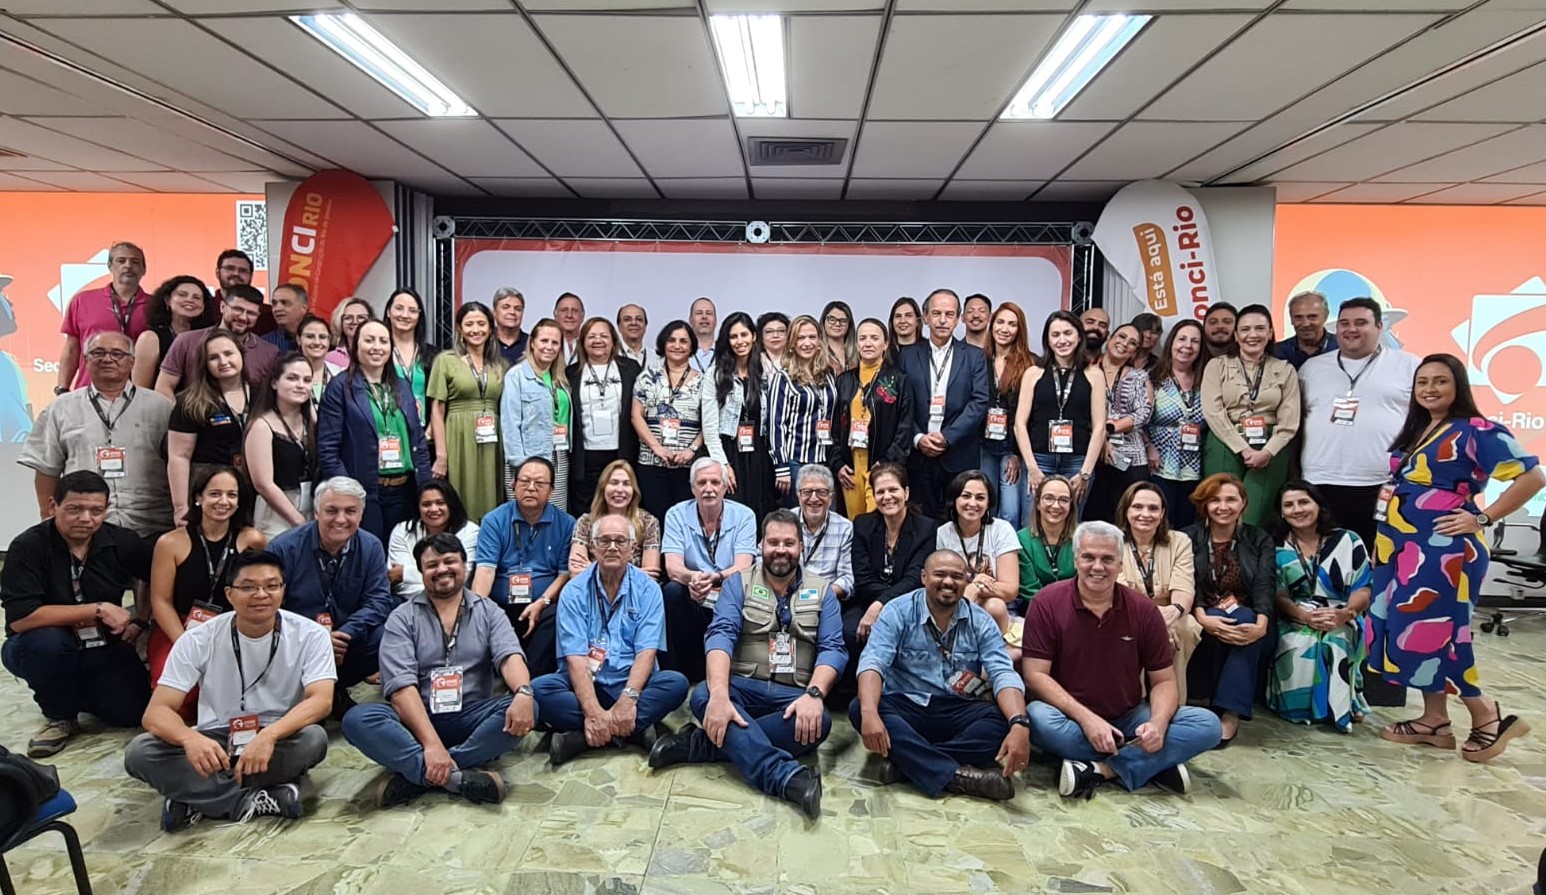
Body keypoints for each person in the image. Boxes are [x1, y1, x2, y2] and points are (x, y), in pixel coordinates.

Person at [1370, 353, 1542, 762]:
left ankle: (1487, 714)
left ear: (1458, 386)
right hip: (1402, 546)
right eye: (1422, 382)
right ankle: (1434, 721)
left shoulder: (1477, 430)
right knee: (1411, 629)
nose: (1429, 389)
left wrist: (1481, 518)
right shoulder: (1421, 428)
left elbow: (1533, 477)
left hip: (1444, 550)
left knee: (1443, 632)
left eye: (1440, 382)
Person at [647, 509, 843, 819]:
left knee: (820, 723)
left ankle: (702, 745)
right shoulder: (738, 584)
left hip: (791, 698)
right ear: (760, 545)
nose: (781, 550)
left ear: (801, 547)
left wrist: (814, 695)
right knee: (703, 696)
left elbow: (834, 649)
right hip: (743, 689)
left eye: (789, 543)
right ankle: (788, 778)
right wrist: (721, 695)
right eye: (773, 542)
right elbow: (719, 636)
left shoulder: (822, 591)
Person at [125, 549, 334, 830]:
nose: (261, 594)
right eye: (248, 587)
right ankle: (256, 798)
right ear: (229, 593)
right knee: (140, 752)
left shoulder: (311, 635)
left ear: (283, 591)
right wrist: (189, 739)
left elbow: (321, 701)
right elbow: (156, 713)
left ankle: (191, 795)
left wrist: (269, 735)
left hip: (277, 735)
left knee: (313, 739)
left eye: (272, 586)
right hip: (215, 738)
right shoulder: (198, 638)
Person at [1023, 521, 1222, 800]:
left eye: (1107, 559)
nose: (1097, 567)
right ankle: (1154, 764)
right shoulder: (1046, 602)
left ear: (1120, 564)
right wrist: (1089, 720)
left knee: (1208, 725)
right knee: (1037, 717)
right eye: (1089, 557)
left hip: (1129, 716)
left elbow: (1164, 680)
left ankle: (1101, 769)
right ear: (1076, 559)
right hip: (1071, 718)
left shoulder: (1143, 610)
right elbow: (1035, 675)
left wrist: (1158, 725)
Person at [342, 533, 532, 807]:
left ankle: (418, 772)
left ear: (465, 566)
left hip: (471, 717)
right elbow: (400, 689)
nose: (442, 569)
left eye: (449, 561)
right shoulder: (401, 618)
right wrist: (431, 744)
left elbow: (509, 656)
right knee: (357, 719)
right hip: (415, 719)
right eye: (432, 565)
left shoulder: (489, 611)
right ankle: (458, 778)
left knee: (526, 707)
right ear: (421, 572)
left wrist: (524, 693)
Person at [850, 550, 1029, 802]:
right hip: (908, 707)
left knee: (1003, 719)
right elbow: (872, 663)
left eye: (957, 576)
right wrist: (869, 714)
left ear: (966, 581)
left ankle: (909, 764)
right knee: (861, 708)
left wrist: (1019, 723)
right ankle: (957, 774)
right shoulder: (898, 611)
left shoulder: (981, 621)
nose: (948, 582)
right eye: (940, 574)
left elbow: (1002, 673)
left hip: (958, 709)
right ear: (924, 577)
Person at [1, 471, 153, 757]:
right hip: (40, 645)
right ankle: (58, 716)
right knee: (47, 644)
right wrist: (97, 608)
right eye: (75, 509)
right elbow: (21, 619)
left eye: (96, 511)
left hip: (101, 644)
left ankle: (77, 693)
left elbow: (156, 579)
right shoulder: (27, 547)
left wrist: (140, 620)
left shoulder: (122, 541)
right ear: (52, 506)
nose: (86, 518)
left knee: (130, 713)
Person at [533, 514, 690, 765]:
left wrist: (627, 701)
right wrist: (593, 711)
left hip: (632, 686)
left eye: (620, 541)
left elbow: (646, 653)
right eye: (604, 541)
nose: (613, 547)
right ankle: (635, 731)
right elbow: (575, 658)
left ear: (632, 549)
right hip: (585, 685)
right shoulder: (573, 591)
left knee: (676, 684)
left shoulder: (649, 589)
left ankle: (582, 738)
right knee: (539, 691)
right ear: (593, 547)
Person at [20, 330, 175, 535]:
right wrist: (49, 519)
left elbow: (178, 462)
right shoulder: (60, 409)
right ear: (85, 361)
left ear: (131, 362)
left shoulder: (161, 407)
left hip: (151, 525)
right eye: (98, 353)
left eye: (117, 354)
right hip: (86, 528)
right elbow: (47, 469)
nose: (107, 359)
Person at [1298, 297, 1420, 549]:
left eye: (1360, 322)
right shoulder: (1311, 368)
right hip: (1320, 482)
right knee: (1324, 562)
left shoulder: (1409, 365)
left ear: (1379, 327)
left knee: (1377, 561)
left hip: (1379, 483)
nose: (1351, 329)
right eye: (1344, 323)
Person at [270, 477, 395, 713]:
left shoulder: (371, 547)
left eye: (350, 511)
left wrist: (345, 634)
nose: (341, 519)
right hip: (295, 642)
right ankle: (304, 695)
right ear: (316, 512)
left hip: (344, 641)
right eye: (331, 510)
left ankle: (334, 691)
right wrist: (315, 638)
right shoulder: (283, 548)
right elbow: (269, 606)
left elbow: (379, 601)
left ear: (361, 514)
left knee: (388, 635)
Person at [148, 466, 267, 704]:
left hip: (232, 628)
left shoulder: (252, 539)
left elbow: (259, 594)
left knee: (238, 695)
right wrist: (184, 643)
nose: (224, 501)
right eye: (215, 494)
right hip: (179, 628)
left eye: (231, 495)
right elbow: (161, 600)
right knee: (179, 696)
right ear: (198, 498)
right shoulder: (170, 543)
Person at [1181, 473, 1275, 747]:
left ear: (1243, 503)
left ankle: (1229, 713)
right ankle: (1224, 707)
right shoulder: (1188, 537)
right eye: (1215, 500)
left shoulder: (1259, 539)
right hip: (1200, 618)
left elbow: (1265, 586)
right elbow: (1187, 581)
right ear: (1205, 505)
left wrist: (1261, 623)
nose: (1223, 506)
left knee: (1244, 618)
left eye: (1231, 499)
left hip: (1248, 622)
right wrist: (1201, 615)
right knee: (1235, 620)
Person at [318, 319, 433, 544]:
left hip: (406, 489)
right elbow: (328, 449)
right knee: (370, 554)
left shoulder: (402, 385)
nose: (377, 347)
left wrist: (426, 487)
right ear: (355, 346)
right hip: (364, 491)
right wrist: (347, 493)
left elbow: (417, 438)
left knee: (404, 555)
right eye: (369, 340)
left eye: (383, 341)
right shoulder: (340, 388)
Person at [1269, 481, 1371, 732]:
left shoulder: (1349, 540)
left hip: (1342, 611)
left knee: (1336, 639)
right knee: (1300, 642)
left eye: (1304, 502)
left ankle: (1340, 709)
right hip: (1294, 614)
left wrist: (1345, 614)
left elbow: (1364, 588)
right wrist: (1304, 616)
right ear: (1281, 512)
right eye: (1289, 505)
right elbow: (1278, 595)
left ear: (1318, 506)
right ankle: (1299, 709)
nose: (1297, 510)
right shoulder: (1276, 546)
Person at [472, 457, 574, 676]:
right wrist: (477, 609)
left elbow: (565, 574)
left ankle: (528, 680)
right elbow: (485, 570)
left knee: (560, 614)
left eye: (540, 483)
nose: (531, 488)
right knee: (481, 613)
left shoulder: (566, 524)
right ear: (513, 485)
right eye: (525, 481)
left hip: (544, 606)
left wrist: (542, 602)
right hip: (502, 605)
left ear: (551, 490)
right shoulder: (494, 520)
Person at [1200, 303, 1300, 527]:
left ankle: (1250, 561)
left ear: (1270, 333)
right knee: (1221, 511)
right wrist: (1243, 448)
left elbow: (1290, 420)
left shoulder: (1285, 369)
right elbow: (1213, 412)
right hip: (1224, 441)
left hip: (1270, 447)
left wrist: (1268, 451)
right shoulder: (1217, 366)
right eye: (1245, 329)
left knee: (1254, 517)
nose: (1252, 335)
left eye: (1259, 329)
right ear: (1236, 335)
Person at [660, 458, 758, 682]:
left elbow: (744, 565)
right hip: (692, 589)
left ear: (725, 486)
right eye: (701, 483)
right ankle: (676, 675)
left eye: (715, 482)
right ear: (692, 488)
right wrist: (694, 578)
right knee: (671, 592)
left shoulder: (744, 515)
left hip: (729, 589)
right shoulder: (675, 514)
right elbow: (673, 567)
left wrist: (716, 578)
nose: (709, 489)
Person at [898, 289, 990, 519]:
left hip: (958, 453)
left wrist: (947, 437)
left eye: (949, 314)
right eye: (936, 313)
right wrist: (918, 438)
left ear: (959, 318)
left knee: (960, 519)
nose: (942, 320)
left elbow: (979, 402)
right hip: (918, 455)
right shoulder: (907, 355)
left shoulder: (974, 356)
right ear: (926, 316)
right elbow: (900, 404)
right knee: (920, 521)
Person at [1114, 481, 1200, 702]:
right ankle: (1134, 704)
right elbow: (1121, 593)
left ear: (1162, 513)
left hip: (1172, 613)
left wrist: (1170, 615)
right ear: (1126, 510)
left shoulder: (1179, 541)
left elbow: (1184, 589)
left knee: (1188, 626)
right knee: (1131, 630)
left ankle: (1174, 704)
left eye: (1153, 508)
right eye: (1138, 507)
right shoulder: (1112, 541)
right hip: (1127, 613)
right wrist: (1155, 620)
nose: (1146, 514)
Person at [847, 463, 937, 666]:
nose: (887, 497)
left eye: (893, 490)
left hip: (910, 603)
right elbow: (862, 579)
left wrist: (881, 605)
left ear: (905, 492)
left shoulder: (926, 528)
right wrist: (877, 603)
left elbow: (915, 579)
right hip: (868, 600)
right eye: (880, 492)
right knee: (850, 630)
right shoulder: (862, 524)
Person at [1013, 310, 1106, 507]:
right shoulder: (1033, 373)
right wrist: (1032, 468)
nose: (1062, 340)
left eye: (1067, 333)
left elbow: (1099, 428)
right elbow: (1019, 424)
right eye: (1055, 335)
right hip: (1038, 459)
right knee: (1032, 524)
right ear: (1047, 340)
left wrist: (1085, 472)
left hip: (1078, 462)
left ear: (1079, 336)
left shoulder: (1094, 374)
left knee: (1070, 525)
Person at [428, 301, 507, 523]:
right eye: (469, 324)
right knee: (460, 494)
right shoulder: (445, 361)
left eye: (481, 323)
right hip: (458, 436)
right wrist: (441, 455)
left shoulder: (500, 365)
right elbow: (437, 409)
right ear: (460, 329)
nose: (476, 329)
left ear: (491, 328)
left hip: (492, 439)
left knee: (492, 494)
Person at [167, 329, 250, 526]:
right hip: (209, 491)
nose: (223, 361)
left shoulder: (261, 394)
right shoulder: (190, 402)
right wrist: (181, 508)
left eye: (229, 353)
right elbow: (179, 457)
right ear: (205, 364)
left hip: (249, 490)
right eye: (214, 357)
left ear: (241, 354)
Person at [631, 320, 712, 522]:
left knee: (685, 520)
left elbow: (709, 423)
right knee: (654, 519)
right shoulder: (647, 377)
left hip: (687, 465)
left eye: (683, 341)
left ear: (692, 346)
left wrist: (692, 450)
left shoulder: (704, 381)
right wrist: (656, 448)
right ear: (663, 344)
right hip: (651, 462)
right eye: (672, 340)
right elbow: (636, 415)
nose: (677, 345)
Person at [833, 318, 913, 519]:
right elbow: (833, 426)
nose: (868, 343)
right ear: (857, 344)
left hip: (880, 464)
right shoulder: (844, 380)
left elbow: (905, 425)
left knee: (877, 522)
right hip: (850, 465)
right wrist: (837, 463)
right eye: (863, 338)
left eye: (874, 338)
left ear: (885, 344)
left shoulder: (898, 379)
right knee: (853, 522)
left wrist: (888, 463)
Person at [566, 316, 642, 517]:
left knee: (621, 506)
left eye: (603, 336)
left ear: (613, 341)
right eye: (591, 336)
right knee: (586, 509)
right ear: (582, 342)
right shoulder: (570, 373)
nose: (598, 341)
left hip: (621, 452)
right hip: (586, 455)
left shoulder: (631, 369)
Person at [704, 312, 773, 519]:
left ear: (754, 336)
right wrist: (723, 465)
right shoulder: (716, 373)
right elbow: (709, 428)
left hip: (761, 452)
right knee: (732, 511)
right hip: (730, 451)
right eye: (734, 337)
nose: (740, 341)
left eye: (744, 335)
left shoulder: (767, 369)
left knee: (762, 510)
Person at [58, 241, 150, 392]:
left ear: (143, 269)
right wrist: (62, 388)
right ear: (110, 266)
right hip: (88, 392)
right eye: (121, 261)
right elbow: (71, 349)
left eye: (135, 262)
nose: (127, 266)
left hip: (137, 396)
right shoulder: (82, 300)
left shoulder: (156, 307)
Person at [1086, 322, 1153, 525]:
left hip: (1131, 458)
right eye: (1121, 337)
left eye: (1132, 343)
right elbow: (1079, 410)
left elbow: (1144, 412)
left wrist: (1109, 428)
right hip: (1093, 455)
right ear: (1110, 338)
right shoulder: (1086, 370)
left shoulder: (1140, 376)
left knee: (1128, 518)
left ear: (1135, 352)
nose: (1124, 344)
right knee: (1093, 518)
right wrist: (1101, 440)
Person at [155, 285, 277, 396]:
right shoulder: (186, 341)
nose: (243, 317)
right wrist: (179, 417)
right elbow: (164, 386)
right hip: (193, 415)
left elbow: (267, 398)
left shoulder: (269, 352)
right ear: (222, 307)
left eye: (251, 313)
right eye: (237, 309)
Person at [768, 315, 837, 509]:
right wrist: (781, 465)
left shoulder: (828, 374)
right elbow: (775, 424)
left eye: (812, 337)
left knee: (826, 516)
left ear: (819, 341)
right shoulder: (783, 378)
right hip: (796, 461)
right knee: (799, 518)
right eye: (801, 338)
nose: (807, 343)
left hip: (825, 458)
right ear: (792, 343)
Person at [1144, 320, 1207, 529]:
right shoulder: (1152, 378)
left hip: (1194, 467)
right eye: (1182, 339)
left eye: (1195, 341)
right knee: (1160, 525)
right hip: (1160, 464)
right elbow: (1139, 421)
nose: (1187, 346)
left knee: (1188, 528)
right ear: (1171, 343)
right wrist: (1148, 446)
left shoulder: (1206, 381)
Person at [245, 354, 316, 536]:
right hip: (276, 514)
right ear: (275, 383)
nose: (300, 385)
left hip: (312, 507)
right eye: (292, 378)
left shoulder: (313, 421)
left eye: (307, 380)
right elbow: (263, 484)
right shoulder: (261, 425)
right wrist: (298, 521)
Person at [936, 470, 1015, 631]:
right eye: (966, 496)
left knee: (995, 606)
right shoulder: (943, 533)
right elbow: (942, 583)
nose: (972, 503)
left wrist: (976, 588)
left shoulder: (1002, 529)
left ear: (988, 503)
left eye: (980, 498)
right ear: (955, 499)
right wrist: (971, 588)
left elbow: (1010, 589)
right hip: (955, 602)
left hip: (996, 606)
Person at [981, 303, 1034, 529]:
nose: (1005, 328)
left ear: (1019, 329)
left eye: (1012, 324)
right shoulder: (979, 359)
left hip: (1011, 448)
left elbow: (1030, 414)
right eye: (1000, 322)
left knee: (1010, 513)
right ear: (992, 325)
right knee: (986, 507)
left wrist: (1017, 453)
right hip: (984, 446)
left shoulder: (1030, 363)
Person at [387, 481, 479, 603]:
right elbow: (400, 585)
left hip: (457, 604)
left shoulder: (470, 531)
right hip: (409, 604)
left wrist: (404, 573)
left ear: (451, 505)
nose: (434, 509)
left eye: (440, 503)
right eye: (426, 504)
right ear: (418, 507)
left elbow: (462, 577)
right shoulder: (402, 531)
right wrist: (443, 583)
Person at [569, 459, 662, 577]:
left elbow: (651, 576)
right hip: (592, 590)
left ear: (634, 490)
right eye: (614, 483)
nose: (620, 490)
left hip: (635, 592)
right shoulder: (585, 522)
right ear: (603, 488)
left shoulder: (648, 522)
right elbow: (575, 572)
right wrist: (634, 573)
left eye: (626, 484)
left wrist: (593, 569)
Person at [132, 275, 215, 389]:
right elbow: (140, 390)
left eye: (196, 297)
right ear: (167, 300)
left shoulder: (209, 337)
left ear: (204, 306)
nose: (190, 300)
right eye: (182, 295)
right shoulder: (150, 338)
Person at [792, 465, 854, 603]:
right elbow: (762, 559)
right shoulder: (785, 520)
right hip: (787, 596)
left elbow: (847, 578)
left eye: (821, 492)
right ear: (798, 495)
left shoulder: (845, 527)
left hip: (827, 599)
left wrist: (814, 596)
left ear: (831, 497)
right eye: (807, 492)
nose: (814, 498)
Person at [1016, 475, 1077, 611]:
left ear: (1071, 505)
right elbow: (1029, 588)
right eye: (1049, 498)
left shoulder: (1083, 539)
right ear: (1037, 503)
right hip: (1036, 611)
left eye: (1063, 500)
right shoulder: (1021, 539)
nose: (1056, 505)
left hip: (1075, 611)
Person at [385, 288, 438, 425]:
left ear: (419, 316)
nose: (405, 315)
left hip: (424, 433)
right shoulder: (378, 352)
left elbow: (440, 399)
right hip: (388, 432)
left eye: (412, 311)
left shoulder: (433, 355)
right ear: (388, 312)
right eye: (399, 308)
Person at [1275, 291, 1337, 369]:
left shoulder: (1342, 349)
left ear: (1325, 316)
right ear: (1291, 319)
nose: (1305, 324)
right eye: (1298, 317)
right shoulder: (1277, 353)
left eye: (1312, 317)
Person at [324, 298, 373, 373]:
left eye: (361, 317)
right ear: (340, 322)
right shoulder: (330, 358)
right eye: (348, 318)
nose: (355, 321)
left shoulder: (379, 353)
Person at [260, 284, 309, 355]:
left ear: (303, 308)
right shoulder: (263, 344)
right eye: (274, 303)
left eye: (285, 303)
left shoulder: (319, 340)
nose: (277, 308)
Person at [296, 315, 335, 404]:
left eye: (322, 337)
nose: (317, 342)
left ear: (329, 340)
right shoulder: (286, 373)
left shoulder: (339, 374)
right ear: (299, 339)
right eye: (310, 336)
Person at [492, 287, 529, 367]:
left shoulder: (532, 343)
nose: (512, 312)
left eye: (518, 309)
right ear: (494, 312)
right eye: (505, 307)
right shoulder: (484, 341)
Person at [820, 300, 858, 375]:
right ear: (823, 321)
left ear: (849, 325)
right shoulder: (816, 351)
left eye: (843, 320)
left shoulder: (858, 352)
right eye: (832, 319)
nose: (837, 324)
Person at [616, 303, 653, 371]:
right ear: (619, 327)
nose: (634, 323)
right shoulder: (611, 357)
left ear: (645, 326)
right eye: (627, 319)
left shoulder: (657, 358)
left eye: (639, 319)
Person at [555, 292, 586, 366]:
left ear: (582, 315)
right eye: (564, 310)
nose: (569, 315)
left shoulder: (589, 345)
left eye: (575, 311)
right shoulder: (547, 345)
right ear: (555, 314)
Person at [687, 296, 717, 373]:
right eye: (699, 313)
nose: (704, 317)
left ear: (716, 320)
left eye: (709, 313)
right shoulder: (680, 352)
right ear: (690, 320)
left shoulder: (726, 351)